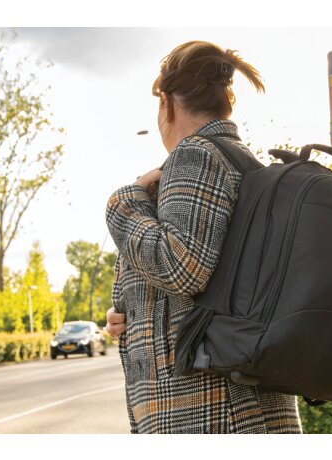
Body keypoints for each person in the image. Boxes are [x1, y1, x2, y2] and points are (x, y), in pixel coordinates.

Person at [105, 40, 302, 434]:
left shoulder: (195, 155)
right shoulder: (242, 163)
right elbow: (216, 287)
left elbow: (183, 268)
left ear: (166, 101)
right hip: (242, 407)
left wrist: (123, 203)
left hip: (209, 413)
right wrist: (131, 316)